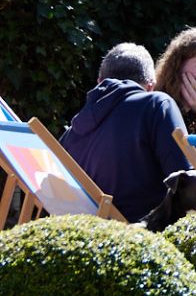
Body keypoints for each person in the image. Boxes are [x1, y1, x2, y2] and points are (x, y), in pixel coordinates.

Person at [60, 43, 188, 224]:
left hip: (80, 237)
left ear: (99, 81)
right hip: (141, 240)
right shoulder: (157, 105)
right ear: (151, 86)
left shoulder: (71, 133)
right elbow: (186, 181)